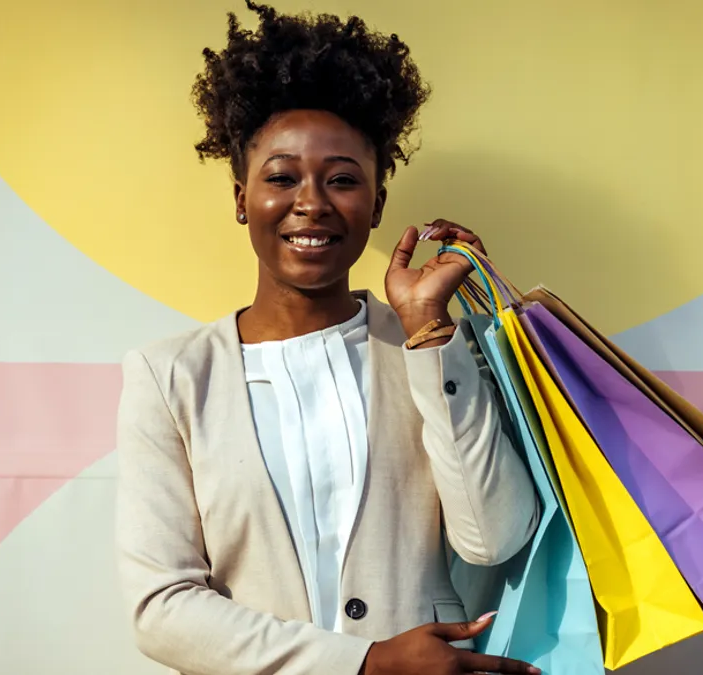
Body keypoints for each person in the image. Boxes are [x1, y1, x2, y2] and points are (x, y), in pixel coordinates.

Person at [113, 3, 541, 674]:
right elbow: (161, 607)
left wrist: (431, 333)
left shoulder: (432, 347)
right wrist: (363, 662)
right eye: (281, 177)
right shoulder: (169, 375)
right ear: (240, 196)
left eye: (342, 179)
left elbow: (493, 538)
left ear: (375, 201)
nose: (311, 202)